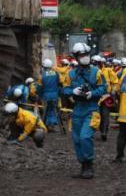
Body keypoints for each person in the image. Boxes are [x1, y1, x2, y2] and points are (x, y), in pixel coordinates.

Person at [63, 43, 107, 179]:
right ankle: (83, 165)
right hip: (77, 110)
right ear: (76, 57)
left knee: (85, 137)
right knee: (76, 139)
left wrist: (91, 94)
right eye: (82, 55)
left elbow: (103, 88)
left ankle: (89, 165)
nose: (85, 57)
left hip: (91, 109)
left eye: (87, 54)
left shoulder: (97, 72)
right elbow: (64, 89)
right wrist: (73, 91)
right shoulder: (70, 74)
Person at [96, 56, 119, 141]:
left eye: (98, 63)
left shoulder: (108, 71)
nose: (97, 65)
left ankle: (104, 132)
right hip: (95, 97)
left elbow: (115, 82)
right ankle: (92, 131)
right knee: (94, 115)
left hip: (105, 97)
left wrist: (113, 90)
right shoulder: (91, 72)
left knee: (105, 115)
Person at [37, 59, 61, 131]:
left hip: (46, 96)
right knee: (53, 110)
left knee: (46, 111)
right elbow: (59, 84)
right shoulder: (56, 73)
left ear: (44, 67)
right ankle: (53, 125)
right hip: (55, 95)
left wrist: (40, 96)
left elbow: (39, 88)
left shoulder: (42, 76)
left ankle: (45, 126)